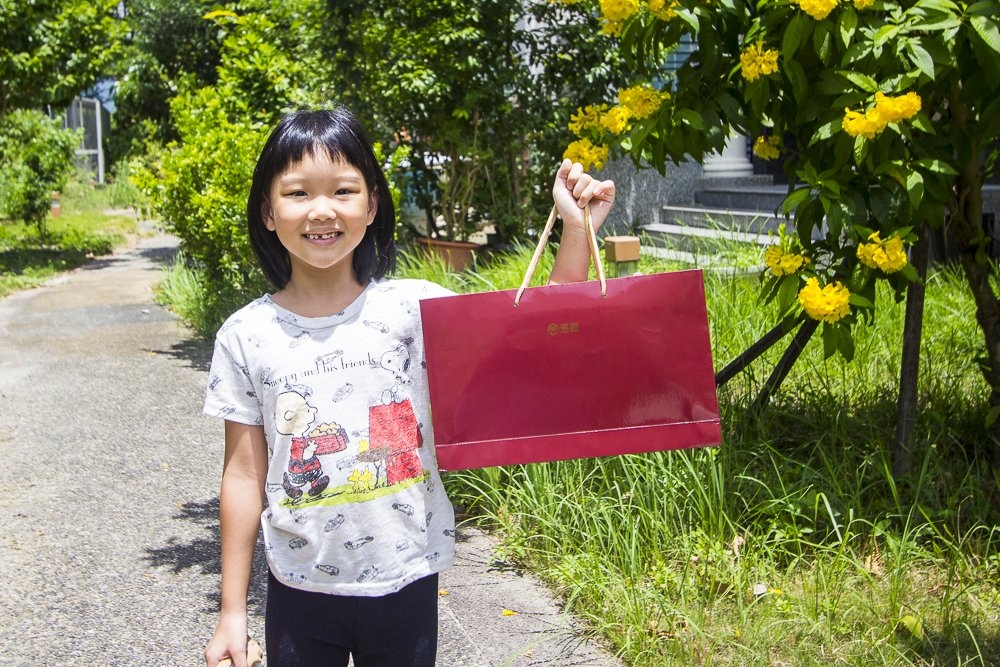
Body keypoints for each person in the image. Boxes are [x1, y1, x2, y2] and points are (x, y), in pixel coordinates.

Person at [202, 106, 616, 667]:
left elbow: (535, 339)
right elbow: (243, 475)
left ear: (372, 204)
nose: (322, 209)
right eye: (298, 193)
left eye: (343, 190)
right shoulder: (245, 335)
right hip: (298, 585)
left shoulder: (416, 308)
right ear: (268, 213)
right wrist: (232, 612)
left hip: (408, 577)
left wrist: (575, 228)